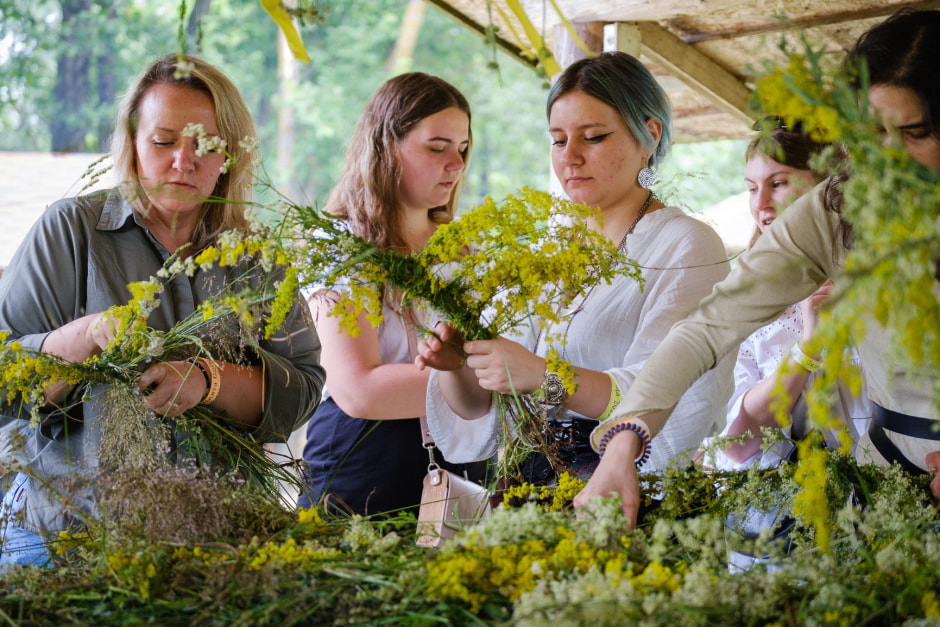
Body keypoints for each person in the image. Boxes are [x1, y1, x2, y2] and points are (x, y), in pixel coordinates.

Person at [577, 9, 940, 526]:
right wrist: (623, 441)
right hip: (888, 484)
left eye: (915, 133)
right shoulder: (838, 211)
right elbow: (707, 327)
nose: (888, 161)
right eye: (871, 135)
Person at [0, 54, 325, 566]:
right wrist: (80, 338)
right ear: (132, 144)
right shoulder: (71, 231)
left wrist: (208, 381)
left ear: (231, 156)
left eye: (204, 146)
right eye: (164, 141)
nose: (183, 161)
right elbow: (3, 384)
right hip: (71, 540)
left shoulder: (257, 258)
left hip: (219, 543)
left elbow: (303, 390)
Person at [415, 52, 733, 484]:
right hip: (531, 495)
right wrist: (458, 365)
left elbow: (663, 396)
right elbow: (487, 410)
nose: (571, 157)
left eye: (594, 137)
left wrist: (543, 377)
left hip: (629, 496)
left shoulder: (685, 246)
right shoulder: (553, 248)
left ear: (650, 136)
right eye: (559, 140)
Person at [296, 72, 482, 516]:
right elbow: (360, 390)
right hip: (361, 464)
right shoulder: (338, 247)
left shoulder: (467, 249)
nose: (455, 164)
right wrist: (490, 383)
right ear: (385, 148)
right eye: (437, 147)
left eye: (462, 149)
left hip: (463, 465)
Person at [702, 123, 870, 470]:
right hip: (783, 511)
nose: (760, 203)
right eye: (751, 188)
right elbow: (736, 446)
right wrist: (808, 347)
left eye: (777, 184)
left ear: (831, 185)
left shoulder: (885, 280)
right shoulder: (745, 296)